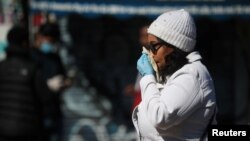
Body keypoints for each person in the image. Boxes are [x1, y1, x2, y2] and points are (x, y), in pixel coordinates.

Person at [132, 9, 217, 141]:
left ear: (173, 45)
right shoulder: (172, 72)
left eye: (154, 46)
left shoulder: (192, 75)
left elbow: (160, 117)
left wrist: (148, 77)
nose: (150, 53)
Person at [0, 25, 46, 141]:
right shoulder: (33, 68)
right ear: (25, 43)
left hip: (3, 130)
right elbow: (44, 97)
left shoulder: (1, 67)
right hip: (27, 130)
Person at [32, 22, 66, 141]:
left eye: (53, 42)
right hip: (37, 112)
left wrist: (65, 83)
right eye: (49, 40)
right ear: (40, 37)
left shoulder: (54, 58)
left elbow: (63, 76)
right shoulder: (31, 57)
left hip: (54, 110)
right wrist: (46, 85)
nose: (50, 44)